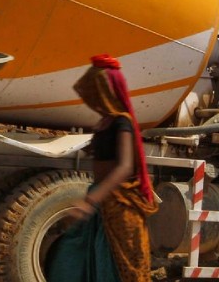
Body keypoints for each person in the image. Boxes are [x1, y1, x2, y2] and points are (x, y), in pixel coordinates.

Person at [45, 54, 158, 282]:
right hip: (101, 199)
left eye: (94, 91)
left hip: (118, 203)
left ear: (105, 92)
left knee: (114, 264)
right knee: (69, 256)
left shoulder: (122, 121)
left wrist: (90, 201)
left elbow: (124, 167)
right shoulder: (105, 123)